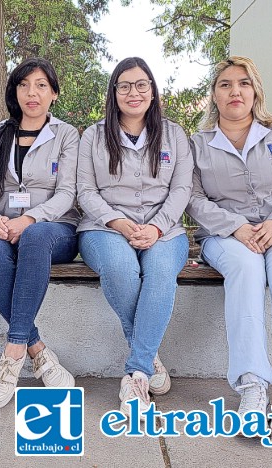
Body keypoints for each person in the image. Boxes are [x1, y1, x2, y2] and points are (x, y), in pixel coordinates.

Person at [186, 56, 272, 443]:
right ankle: (252, 387)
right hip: (228, 237)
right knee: (245, 271)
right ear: (214, 94)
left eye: (243, 83)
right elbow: (192, 198)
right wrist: (236, 227)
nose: (235, 91)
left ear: (255, 91)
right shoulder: (198, 144)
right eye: (226, 84)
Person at [77, 57, 193, 417]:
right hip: (104, 228)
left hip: (166, 229)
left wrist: (157, 226)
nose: (134, 92)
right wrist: (120, 224)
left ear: (153, 91)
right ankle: (147, 352)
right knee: (121, 269)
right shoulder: (93, 135)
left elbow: (182, 187)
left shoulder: (174, 134)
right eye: (124, 85)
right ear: (114, 93)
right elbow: (85, 191)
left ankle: (137, 372)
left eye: (142, 84)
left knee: (159, 273)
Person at [0, 58, 80, 410]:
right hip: (5, 228)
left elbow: (68, 193)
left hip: (55, 229)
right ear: (14, 91)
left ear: (54, 93)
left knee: (35, 239)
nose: (31, 93)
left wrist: (31, 219)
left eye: (40, 85)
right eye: (23, 85)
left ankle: (12, 352)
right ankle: (37, 351)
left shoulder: (66, 135)